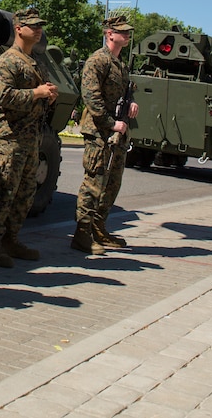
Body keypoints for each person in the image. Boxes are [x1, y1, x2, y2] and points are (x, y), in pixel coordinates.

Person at [0, 7, 59, 268]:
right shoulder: (7, 61)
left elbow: (36, 97)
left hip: (31, 138)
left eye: (40, 26)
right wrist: (36, 94)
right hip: (11, 138)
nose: (38, 30)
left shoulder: (34, 62)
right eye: (32, 25)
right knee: (4, 193)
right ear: (18, 28)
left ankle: (11, 239)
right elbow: (3, 97)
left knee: (25, 195)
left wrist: (48, 96)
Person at [73, 15, 138, 255]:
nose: (127, 35)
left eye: (128, 31)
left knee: (112, 183)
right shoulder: (97, 61)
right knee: (94, 182)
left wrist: (132, 104)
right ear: (109, 33)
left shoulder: (121, 64)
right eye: (122, 31)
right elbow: (92, 99)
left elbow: (125, 94)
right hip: (100, 132)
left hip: (117, 133)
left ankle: (99, 227)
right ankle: (82, 233)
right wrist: (112, 124)